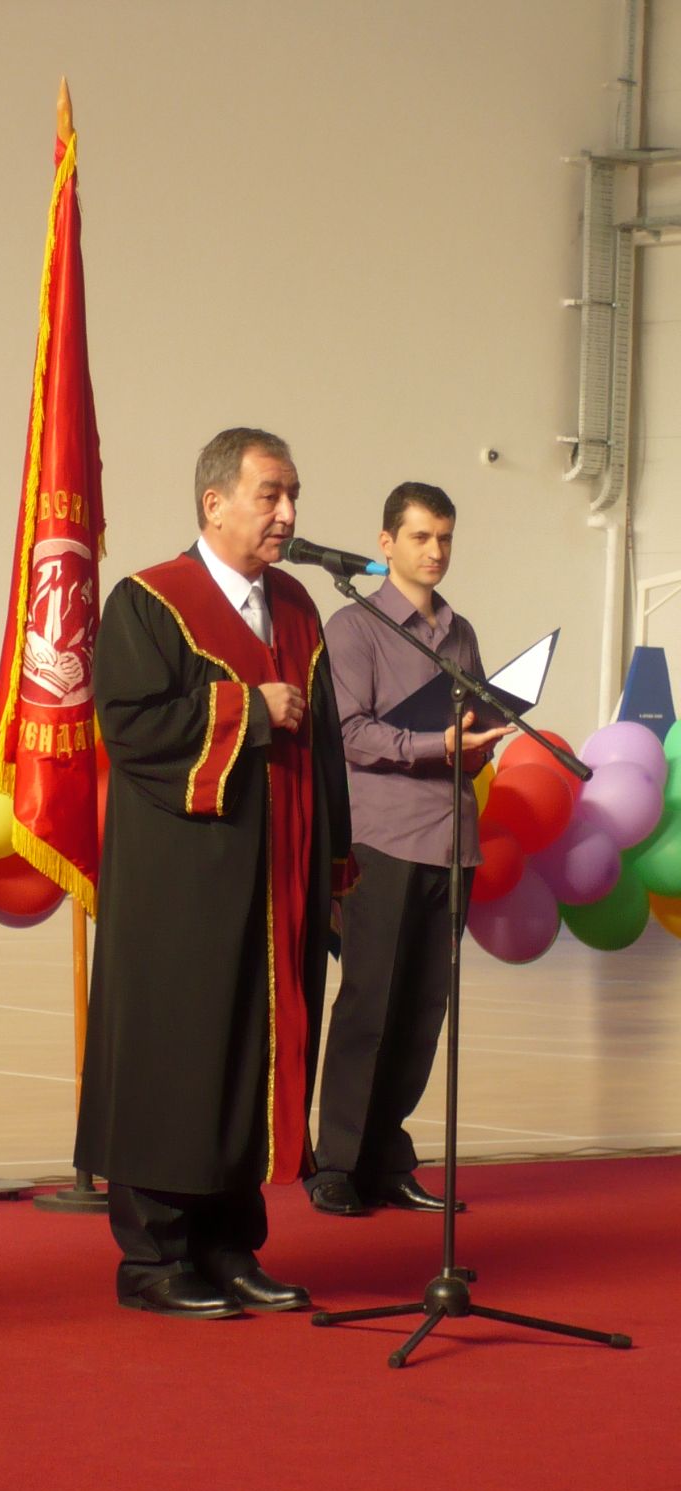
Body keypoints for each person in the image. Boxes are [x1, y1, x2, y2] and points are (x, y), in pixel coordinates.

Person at [74, 428, 356, 1318]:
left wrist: (334, 867)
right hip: (181, 889)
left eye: (293, 495)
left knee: (252, 1056)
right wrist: (248, 710)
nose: (288, 514)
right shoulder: (151, 602)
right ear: (215, 503)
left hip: (277, 884)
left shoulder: (299, 609)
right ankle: (155, 1258)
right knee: (179, 1058)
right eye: (271, 494)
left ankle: (231, 1247)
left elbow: (328, 749)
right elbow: (130, 727)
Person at [307, 482, 509, 1218]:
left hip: (451, 841)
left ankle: (387, 1159)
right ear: (386, 543)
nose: (436, 551)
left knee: (424, 1008)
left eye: (445, 538)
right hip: (383, 838)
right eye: (422, 537)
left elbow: (469, 727)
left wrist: (481, 740)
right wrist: (437, 744)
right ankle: (336, 1164)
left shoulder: (460, 631)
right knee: (371, 1001)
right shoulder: (353, 626)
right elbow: (350, 732)